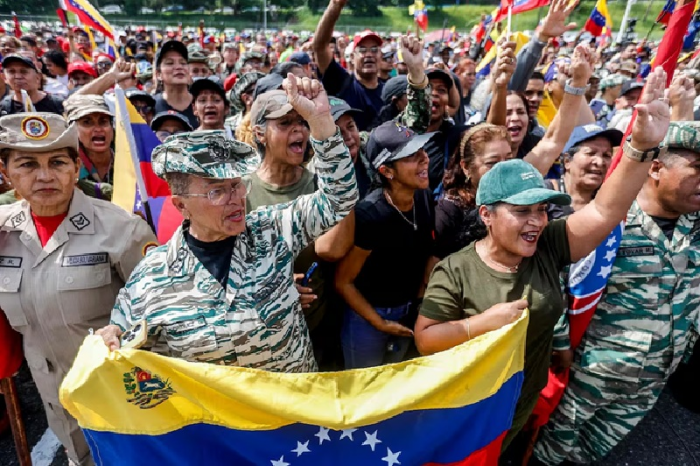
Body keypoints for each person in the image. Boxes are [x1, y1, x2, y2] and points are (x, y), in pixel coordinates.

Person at [414, 67, 671, 449]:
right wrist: (482, 324)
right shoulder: (455, 270)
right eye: (522, 211)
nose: (536, 221)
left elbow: (605, 210)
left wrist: (640, 147)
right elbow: (425, 338)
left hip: (520, 399)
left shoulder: (549, 244)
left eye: (541, 209)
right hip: (468, 404)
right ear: (486, 215)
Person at [96, 74, 358, 373]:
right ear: (181, 205)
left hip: (292, 399)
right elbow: (123, 344)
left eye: (237, 185)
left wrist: (320, 120)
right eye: (216, 191)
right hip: (210, 405)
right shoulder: (152, 276)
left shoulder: (272, 231)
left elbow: (339, 197)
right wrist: (111, 336)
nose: (236, 199)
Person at [533, 120, 700, 465]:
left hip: (652, 381)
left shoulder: (693, 227)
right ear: (656, 168)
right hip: (590, 378)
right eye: (697, 169)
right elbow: (555, 284)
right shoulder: (608, 223)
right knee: (547, 452)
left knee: (589, 456)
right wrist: (560, 345)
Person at [0, 113, 156, 465]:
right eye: (27, 165)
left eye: (57, 162)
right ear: (7, 174)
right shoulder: (3, 234)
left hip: (123, 396)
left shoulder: (121, 229)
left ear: (76, 167)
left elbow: (160, 307)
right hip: (57, 401)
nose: (44, 176)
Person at [314, 0, 384, 131]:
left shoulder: (388, 92)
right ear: (352, 57)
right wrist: (335, 5)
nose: (369, 54)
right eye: (362, 50)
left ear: (381, 56)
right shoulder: (342, 83)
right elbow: (320, 47)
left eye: (374, 50)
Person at [547, 124, 623, 219]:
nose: (600, 162)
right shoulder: (544, 195)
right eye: (590, 153)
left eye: (606, 155)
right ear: (567, 161)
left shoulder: (612, 201)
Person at [64, 94, 115, 200]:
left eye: (103, 122)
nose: (98, 129)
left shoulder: (130, 160)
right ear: (73, 129)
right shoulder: (67, 167)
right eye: (87, 122)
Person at [153, 40, 198, 129]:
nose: (179, 67)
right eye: (170, 63)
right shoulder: (151, 107)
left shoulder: (202, 104)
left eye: (183, 63)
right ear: (158, 74)